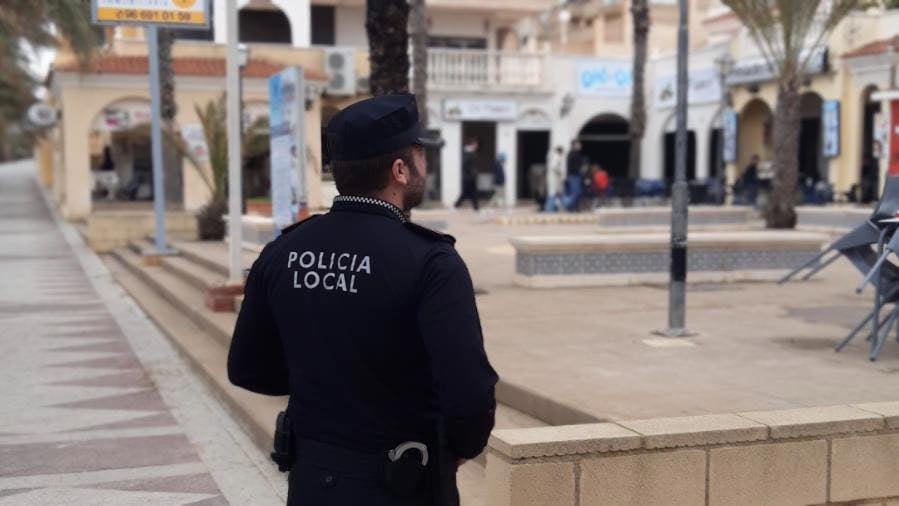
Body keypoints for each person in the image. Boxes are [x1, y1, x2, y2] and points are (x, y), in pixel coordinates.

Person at [228, 94, 498, 506]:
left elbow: (247, 368)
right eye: (420, 155)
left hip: (314, 481)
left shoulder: (284, 252)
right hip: (404, 483)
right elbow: (469, 393)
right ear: (400, 169)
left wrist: (321, 386)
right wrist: (457, 448)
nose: (426, 165)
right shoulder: (431, 262)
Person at [454, 138, 480, 211]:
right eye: (475, 145)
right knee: (466, 193)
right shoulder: (468, 153)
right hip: (468, 177)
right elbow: (465, 164)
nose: (477, 146)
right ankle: (456, 205)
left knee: (473, 192)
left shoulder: (471, 152)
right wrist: (472, 171)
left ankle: (476, 208)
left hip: (471, 177)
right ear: (472, 145)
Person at [563, 140, 586, 212]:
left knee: (576, 193)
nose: (580, 146)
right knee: (576, 193)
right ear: (574, 145)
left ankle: (572, 209)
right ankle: (566, 206)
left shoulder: (575, 154)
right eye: (578, 144)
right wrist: (581, 169)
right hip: (574, 176)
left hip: (575, 176)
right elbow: (573, 166)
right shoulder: (573, 154)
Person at [543, 145, 565, 212]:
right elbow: (554, 166)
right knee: (552, 194)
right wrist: (560, 171)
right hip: (553, 178)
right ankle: (549, 209)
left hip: (553, 177)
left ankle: (550, 208)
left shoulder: (553, 156)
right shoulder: (556, 156)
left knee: (552, 193)